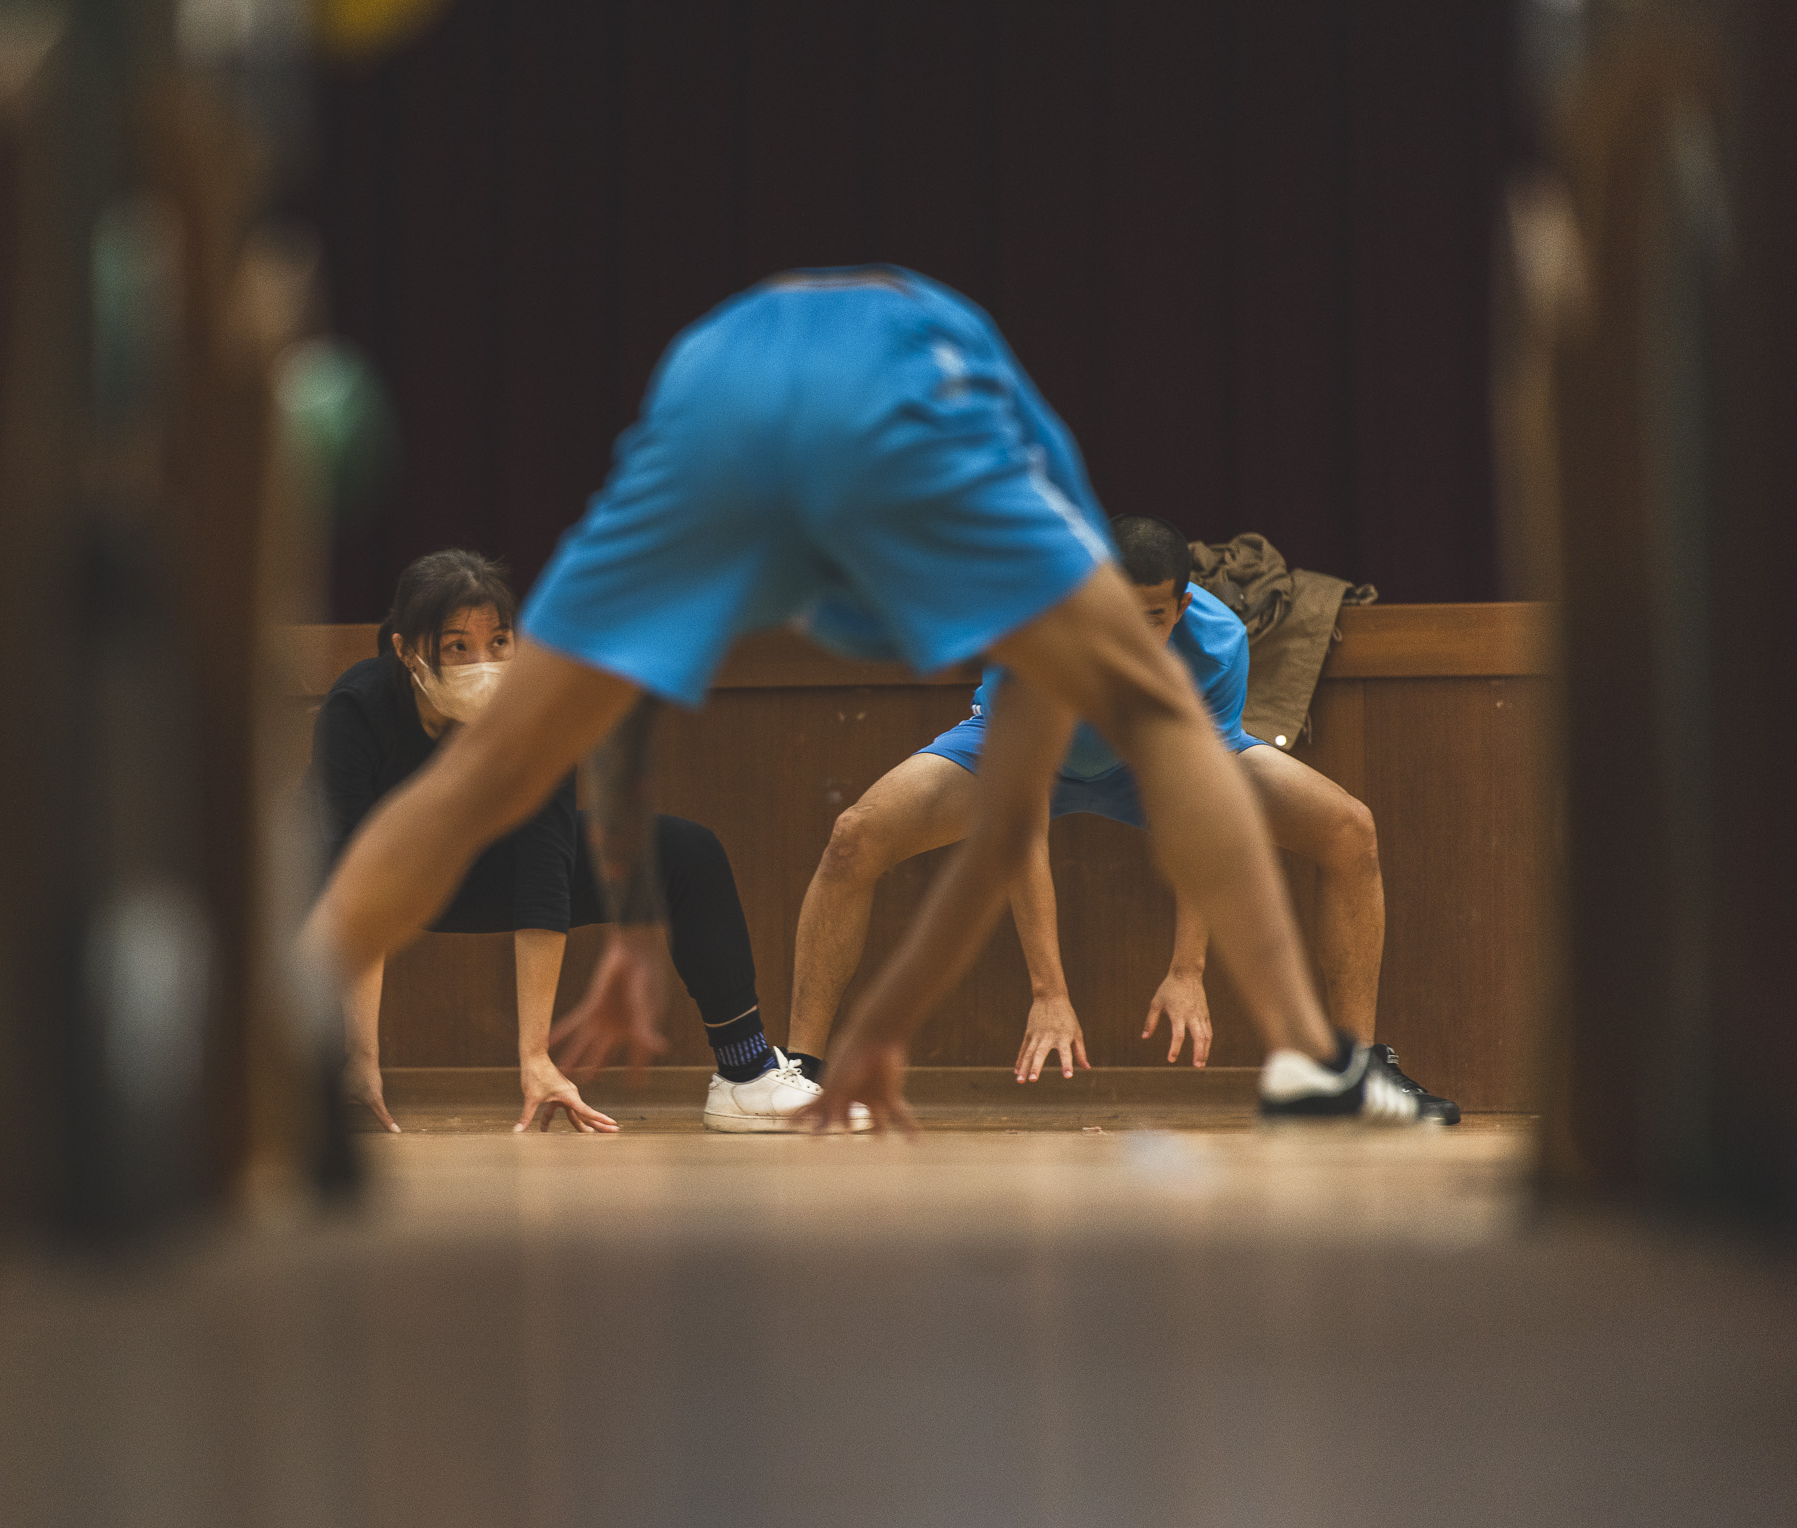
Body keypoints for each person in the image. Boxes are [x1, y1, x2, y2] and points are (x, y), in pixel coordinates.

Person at [301, 265, 1425, 1132]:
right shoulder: (995, 512)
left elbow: (613, 717)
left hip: (732, 387)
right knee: (1166, 737)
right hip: (876, 389)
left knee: (492, 764)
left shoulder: (735, 462)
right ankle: (1312, 1058)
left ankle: (272, 1055)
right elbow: (1014, 822)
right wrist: (880, 1024)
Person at [783, 514, 1459, 1122]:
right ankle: (800, 1071)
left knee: (1348, 829)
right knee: (854, 838)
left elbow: (1205, 806)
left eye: (1153, 618)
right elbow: (1020, 813)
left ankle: (1351, 1070)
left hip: (1153, 769)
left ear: (1182, 606)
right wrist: (1048, 990)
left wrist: (1188, 970)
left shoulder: (1218, 644)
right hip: (1023, 760)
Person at [310, 550, 854, 1134]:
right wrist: (361, 1058)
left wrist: (535, 1057)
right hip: (380, 881)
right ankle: (306, 1078)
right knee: (280, 875)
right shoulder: (358, 706)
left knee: (685, 851)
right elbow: (349, 880)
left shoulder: (536, 709)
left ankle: (745, 1075)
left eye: (499, 642)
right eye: (456, 647)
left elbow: (545, 863)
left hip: (495, 870)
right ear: (405, 650)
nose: (483, 663)